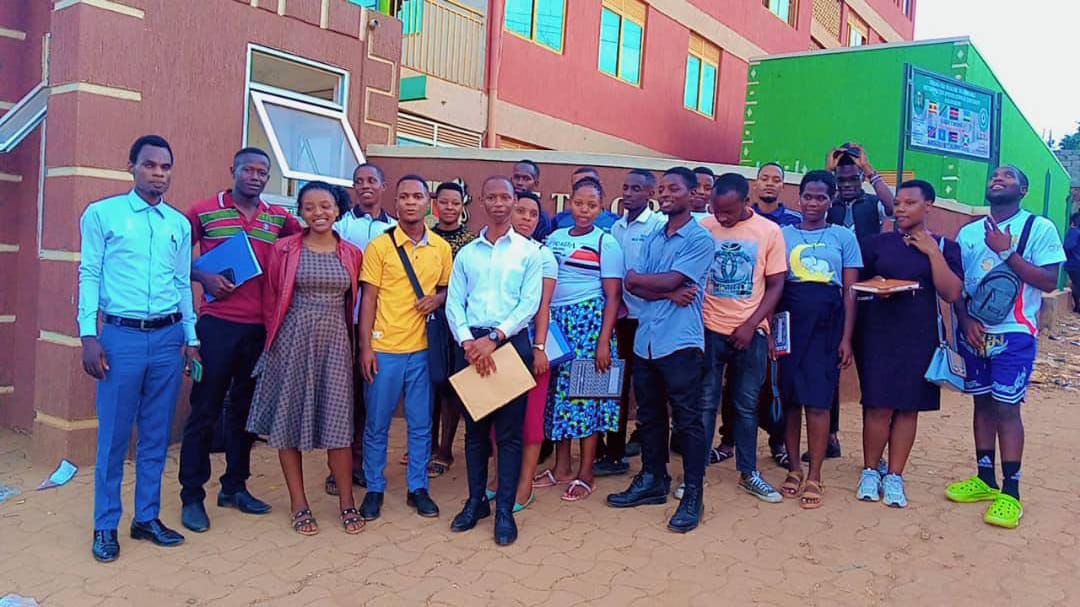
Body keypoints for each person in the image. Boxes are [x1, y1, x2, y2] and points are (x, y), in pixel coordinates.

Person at [80, 135, 199, 562]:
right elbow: (89, 272)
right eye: (149, 165)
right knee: (113, 436)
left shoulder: (178, 224)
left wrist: (192, 338)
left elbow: (182, 283)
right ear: (131, 166)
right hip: (120, 337)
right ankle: (105, 524)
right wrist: (88, 334)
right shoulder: (103, 214)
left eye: (165, 167)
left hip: (168, 339)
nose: (158, 174)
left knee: (156, 434)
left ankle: (146, 517)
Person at [178, 147, 302, 533]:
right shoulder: (202, 211)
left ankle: (234, 486)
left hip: (260, 329)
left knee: (247, 412)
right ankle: (192, 496)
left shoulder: (279, 218)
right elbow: (173, 256)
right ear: (232, 170)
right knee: (204, 410)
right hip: (216, 325)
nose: (254, 175)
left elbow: (309, 241)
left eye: (262, 171)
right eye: (247, 169)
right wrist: (203, 277)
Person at [946, 165, 1065, 529]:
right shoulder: (968, 233)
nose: (997, 179)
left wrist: (1007, 252)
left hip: (1015, 332)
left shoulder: (1038, 228)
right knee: (982, 402)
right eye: (994, 176)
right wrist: (965, 321)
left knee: (1007, 408)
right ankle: (985, 478)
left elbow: (1048, 281)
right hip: (976, 331)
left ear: (1023, 189)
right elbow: (960, 286)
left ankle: (1011, 492)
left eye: (1007, 177)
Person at [247, 181, 364, 536]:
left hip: (335, 345)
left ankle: (347, 502)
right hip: (292, 342)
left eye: (325, 206)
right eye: (310, 207)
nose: (318, 213)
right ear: (300, 211)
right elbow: (271, 299)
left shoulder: (352, 252)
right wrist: (273, 344)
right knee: (288, 424)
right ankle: (299, 504)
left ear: (338, 209)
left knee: (339, 428)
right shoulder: (283, 249)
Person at [606, 167, 714, 534]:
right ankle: (653, 479)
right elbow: (632, 283)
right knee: (649, 415)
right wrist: (666, 290)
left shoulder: (699, 239)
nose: (665, 194)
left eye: (674, 189)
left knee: (688, 420)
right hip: (646, 340)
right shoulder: (654, 236)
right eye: (663, 188)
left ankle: (693, 493)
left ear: (691, 193)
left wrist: (656, 283)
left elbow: (669, 278)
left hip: (680, 341)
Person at [445, 175, 543, 546]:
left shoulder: (528, 253)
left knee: (509, 435)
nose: (500, 203)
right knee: (474, 433)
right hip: (470, 347)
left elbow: (528, 304)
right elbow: (455, 302)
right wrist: (470, 342)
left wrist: (495, 338)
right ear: (481, 201)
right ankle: (475, 503)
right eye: (492, 197)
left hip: (509, 344)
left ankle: (504, 510)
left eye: (506, 197)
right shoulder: (468, 253)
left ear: (515, 200)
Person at [854, 180, 963, 507]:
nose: (900, 208)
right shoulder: (876, 244)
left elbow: (951, 293)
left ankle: (896, 476)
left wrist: (931, 251)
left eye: (909, 203)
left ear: (928, 206)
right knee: (877, 405)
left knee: (907, 407)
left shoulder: (946, 247)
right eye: (897, 203)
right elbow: (855, 283)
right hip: (877, 332)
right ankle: (871, 471)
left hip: (918, 336)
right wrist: (876, 284)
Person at [356, 176, 453, 521]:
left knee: (421, 423)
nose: (411, 203)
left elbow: (449, 293)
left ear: (429, 203)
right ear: (395, 203)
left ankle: (417, 488)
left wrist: (438, 299)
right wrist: (365, 348)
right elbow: (367, 300)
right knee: (377, 423)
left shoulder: (441, 248)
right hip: (384, 349)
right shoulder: (380, 247)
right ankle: (374, 488)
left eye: (417, 196)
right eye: (404, 197)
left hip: (423, 350)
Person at [694, 173, 786, 503]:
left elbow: (776, 284)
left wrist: (752, 324)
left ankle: (749, 473)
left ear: (746, 202)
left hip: (750, 334)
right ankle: (695, 473)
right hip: (709, 329)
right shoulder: (704, 227)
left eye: (729, 212)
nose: (722, 218)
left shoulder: (769, 231)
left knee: (746, 405)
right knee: (704, 403)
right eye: (717, 210)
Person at [536, 177, 624, 502]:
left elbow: (613, 297)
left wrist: (604, 341)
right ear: (569, 203)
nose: (584, 210)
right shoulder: (555, 238)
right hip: (557, 326)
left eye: (592, 205)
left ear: (601, 208)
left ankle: (586, 472)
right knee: (560, 398)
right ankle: (561, 467)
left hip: (590, 324)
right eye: (579, 203)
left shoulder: (607, 242)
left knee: (588, 398)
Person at [777, 170, 861, 509]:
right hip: (789, 319)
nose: (813, 203)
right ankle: (794, 468)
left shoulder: (843, 237)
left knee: (819, 399)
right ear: (799, 198)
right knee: (791, 398)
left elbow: (851, 291)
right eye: (808, 196)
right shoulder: (782, 234)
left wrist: (847, 338)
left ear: (831, 200)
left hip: (827, 322)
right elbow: (774, 283)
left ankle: (815, 473)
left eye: (821, 197)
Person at [813, 143, 895, 462]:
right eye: (841, 180)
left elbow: (893, 208)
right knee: (829, 368)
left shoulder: (871, 203)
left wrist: (870, 171)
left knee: (871, 370)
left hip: (869, 295)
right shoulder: (828, 206)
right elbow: (811, 203)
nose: (847, 185)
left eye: (852, 178)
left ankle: (875, 450)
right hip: (833, 297)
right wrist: (828, 171)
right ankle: (830, 437)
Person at [325, 162, 397, 497]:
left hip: (382, 327)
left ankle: (365, 464)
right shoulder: (339, 225)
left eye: (371, 180)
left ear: (384, 186)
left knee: (372, 400)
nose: (365, 186)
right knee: (343, 397)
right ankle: (338, 467)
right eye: (358, 181)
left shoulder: (396, 229)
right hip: (341, 321)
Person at [598, 169, 664, 475]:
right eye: (625, 187)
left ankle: (655, 459)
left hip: (650, 318)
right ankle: (613, 453)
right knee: (618, 387)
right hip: (621, 317)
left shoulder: (659, 226)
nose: (629, 193)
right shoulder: (616, 229)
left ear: (650, 194)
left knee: (651, 390)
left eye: (637, 188)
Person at [508, 190, 559, 510]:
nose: (526, 218)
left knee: (530, 418)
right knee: (501, 417)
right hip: (499, 344)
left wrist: (539, 347)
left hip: (532, 345)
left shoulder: (544, 254)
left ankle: (524, 484)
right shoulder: (495, 250)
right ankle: (501, 478)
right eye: (520, 211)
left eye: (532, 214)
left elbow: (543, 306)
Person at [429, 181, 478, 476]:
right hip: (426, 320)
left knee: (451, 386)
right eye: (443, 202)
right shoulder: (425, 238)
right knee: (428, 385)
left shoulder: (472, 243)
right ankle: (426, 445)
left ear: (463, 206)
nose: (449, 207)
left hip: (458, 323)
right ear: (435, 205)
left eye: (455, 203)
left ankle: (445, 450)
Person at [554, 166, 620, 232]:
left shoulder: (616, 222)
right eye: (579, 184)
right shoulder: (560, 219)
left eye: (590, 182)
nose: (585, 187)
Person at [752, 163, 801, 227]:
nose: (770, 184)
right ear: (755, 184)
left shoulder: (796, 220)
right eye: (764, 179)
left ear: (783, 187)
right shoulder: (744, 216)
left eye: (776, 180)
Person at [1064, 212, 1080, 314]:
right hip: (1075, 263)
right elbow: (1068, 246)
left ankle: (1077, 307)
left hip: (1074, 263)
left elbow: (1067, 246)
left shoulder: (1075, 232)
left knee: (1077, 284)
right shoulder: (1075, 232)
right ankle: (1077, 307)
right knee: (1077, 284)